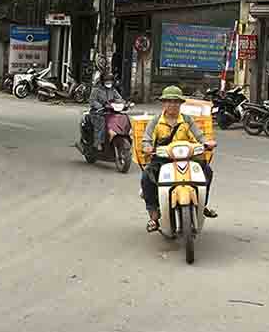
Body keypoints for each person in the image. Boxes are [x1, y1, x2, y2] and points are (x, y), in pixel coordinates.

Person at [140, 85, 217, 231]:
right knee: (146, 176)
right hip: (162, 159)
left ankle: (202, 205)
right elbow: (146, 139)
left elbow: (200, 136)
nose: (172, 105)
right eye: (169, 101)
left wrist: (207, 143)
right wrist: (147, 147)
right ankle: (154, 216)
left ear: (181, 104)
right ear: (163, 103)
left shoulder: (187, 120)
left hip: (187, 158)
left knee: (207, 171)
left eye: (176, 102)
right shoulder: (156, 121)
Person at [89, 73, 123, 149]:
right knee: (101, 124)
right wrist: (100, 106)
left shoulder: (113, 90)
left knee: (120, 120)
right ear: (102, 82)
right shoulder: (96, 90)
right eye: (107, 82)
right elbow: (92, 101)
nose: (109, 83)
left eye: (110, 82)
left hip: (110, 111)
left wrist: (123, 103)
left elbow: (119, 98)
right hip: (98, 112)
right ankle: (98, 143)